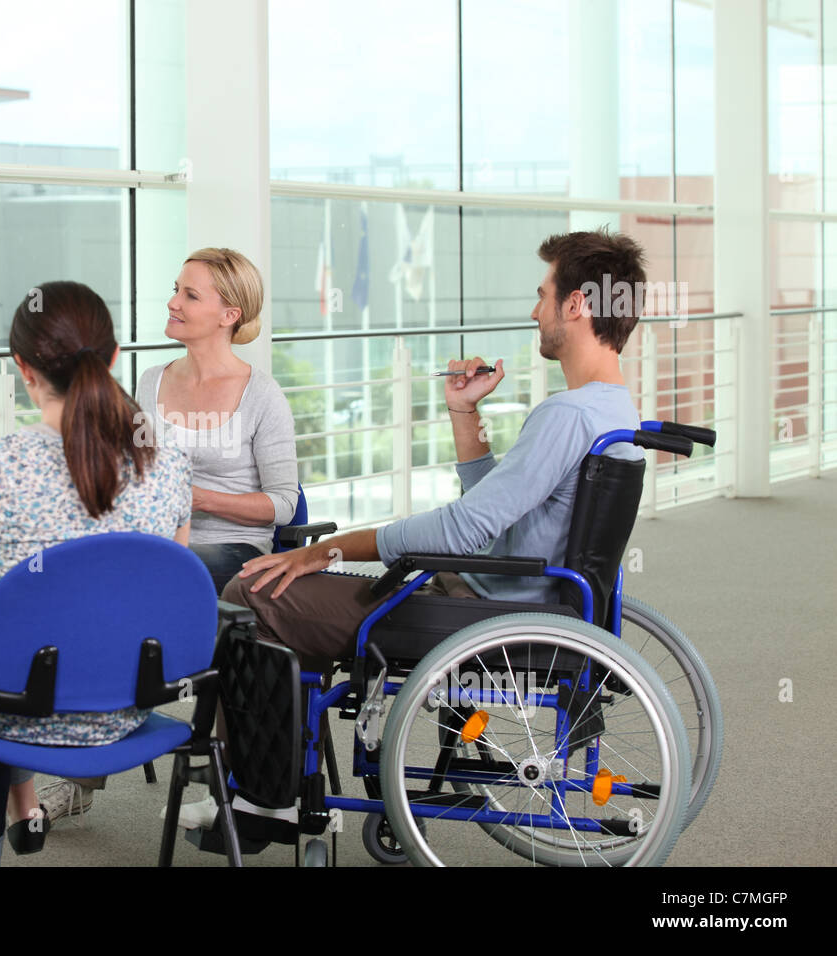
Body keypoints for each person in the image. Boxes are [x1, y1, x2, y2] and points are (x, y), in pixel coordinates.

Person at [181, 228, 648, 827]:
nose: (536, 311)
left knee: (253, 590)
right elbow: (494, 514)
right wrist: (464, 412)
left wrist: (327, 549)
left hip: (484, 612)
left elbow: (462, 530)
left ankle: (262, 800)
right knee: (285, 586)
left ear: (577, 305)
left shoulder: (565, 416)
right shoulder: (612, 410)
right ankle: (274, 776)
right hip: (518, 596)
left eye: (543, 294)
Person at [0, 281, 192, 866]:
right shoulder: (168, 464)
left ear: (23, 368)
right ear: (116, 357)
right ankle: (25, 809)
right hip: (124, 706)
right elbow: (162, 598)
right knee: (13, 657)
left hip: (9, 708)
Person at [135, 247, 299, 596]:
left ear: (229, 315)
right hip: (159, 540)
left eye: (190, 295)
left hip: (234, 550)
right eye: (175, 289)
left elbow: (285, 505)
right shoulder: (151, 381)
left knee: (157, 576)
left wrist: (199, 499)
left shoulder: (262, 396)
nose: (173, 303)